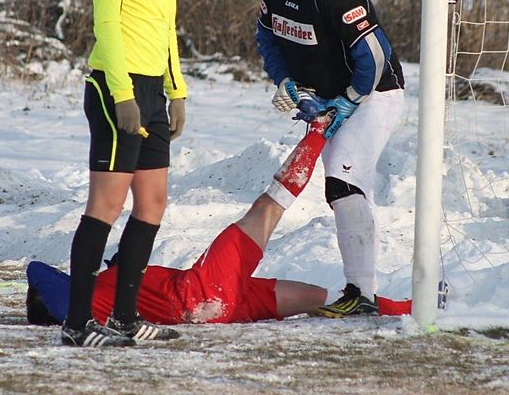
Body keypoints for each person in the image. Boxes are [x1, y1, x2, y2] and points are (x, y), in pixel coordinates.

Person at [27, 117, 413, 329]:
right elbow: (37, 271)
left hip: (214, 308)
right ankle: (318, 131)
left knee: (319, 298)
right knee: (268, 207)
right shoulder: (78, 298)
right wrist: (45, 297)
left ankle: (402, 308)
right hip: (199, 292)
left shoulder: (99, 296)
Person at [61, 0, 189, 348]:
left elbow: (166, 28)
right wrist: (122, 95)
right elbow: (107, 27)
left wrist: (176, 92)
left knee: (152, 204)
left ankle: (124, 318)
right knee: (107, 205)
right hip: (117, 90)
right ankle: (76, 324)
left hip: (155, 91)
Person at [255, 0, 406, 318]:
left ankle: (362, 294)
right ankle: (364, 292)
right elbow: (267, 36)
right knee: (349, 189)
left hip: (374, 94)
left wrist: (348, 100)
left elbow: (375, 56)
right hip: (328, 98)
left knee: (342, 181)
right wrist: (287, 80)